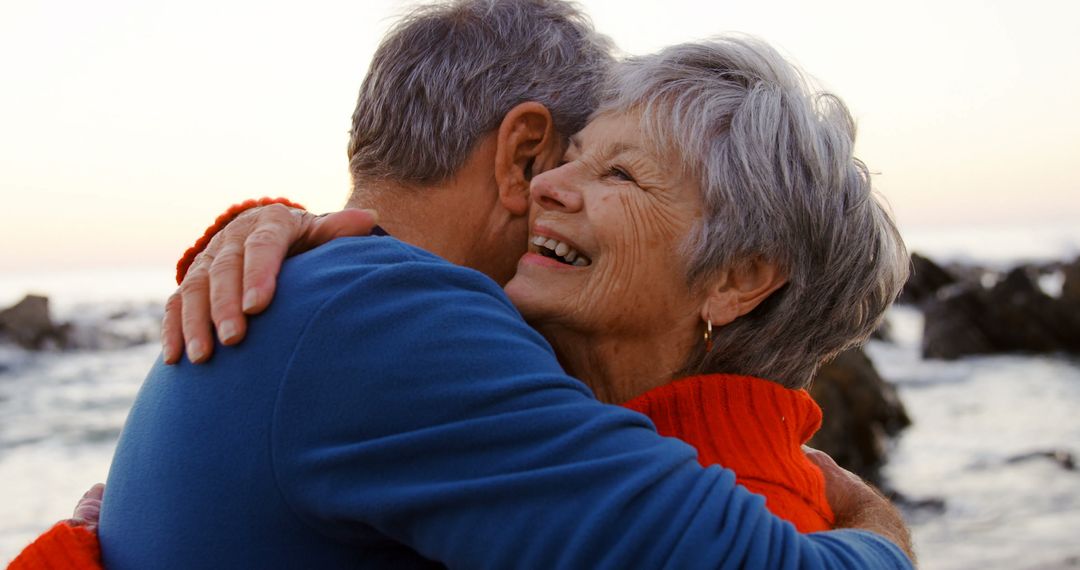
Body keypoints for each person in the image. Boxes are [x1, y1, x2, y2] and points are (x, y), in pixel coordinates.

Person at [12, 1, 912, 568]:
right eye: (573, 157)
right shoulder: (390, 318)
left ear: (742, 277)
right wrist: (879, 527)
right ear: (521, 153)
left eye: (617, 175)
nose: (562, 191)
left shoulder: (341, 302)